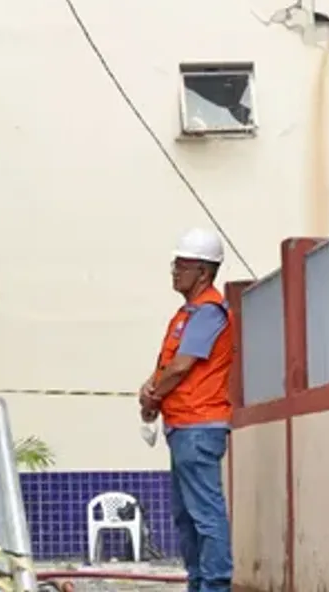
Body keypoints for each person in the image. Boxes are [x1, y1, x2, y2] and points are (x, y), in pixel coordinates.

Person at [139, 228, 236, 592]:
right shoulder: (189, 313)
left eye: (183, 265)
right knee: (187, 517)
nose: (175, 271)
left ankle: (214, 585)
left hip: (199, 425)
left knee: (205, 515)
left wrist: (153, 396)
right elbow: (170, 365)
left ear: (204, 272)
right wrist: (151, 388)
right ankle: (199, 582)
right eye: (175, 264)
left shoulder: (209, 312)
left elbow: (181, 367)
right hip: (184, 425)